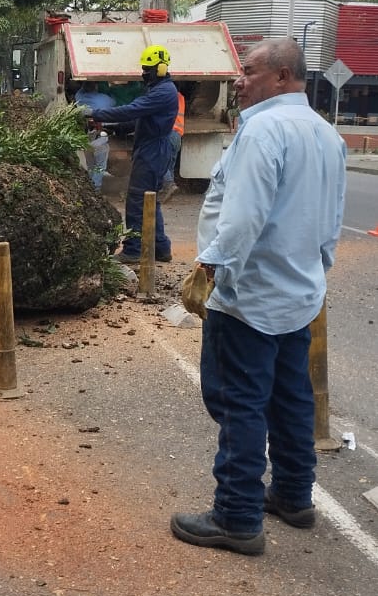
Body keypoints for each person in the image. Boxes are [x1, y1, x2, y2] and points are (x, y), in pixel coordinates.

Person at [171, 38, 346, 556]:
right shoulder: (325, 134)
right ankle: (294, 496)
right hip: (298, 293)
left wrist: (211, 272)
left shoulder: (264, 131)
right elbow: (331, 221)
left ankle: (237, 516)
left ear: (284, 77)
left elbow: (242, 219)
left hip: (249, 297)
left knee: (238, 403)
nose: (239, 80)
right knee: (291, 397)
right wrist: (315, 273)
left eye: (249, 71)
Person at [93, 46, 178, 263]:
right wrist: (116, 126)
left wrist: (95, 113)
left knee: (137, 199)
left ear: (160, 69)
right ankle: (160, 247)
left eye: (147, 69)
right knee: (151, 200)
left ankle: (133, 249)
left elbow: (132, 109)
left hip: (154, 150)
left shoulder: (163, 92)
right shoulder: (158, 90)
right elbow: (139, 117)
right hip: (152, 147)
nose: (143, 73)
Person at [74, 82, 115, 187]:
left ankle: (91, 189)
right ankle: (95, 188)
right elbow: (114, 102)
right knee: (100, 166)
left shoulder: (79, 97)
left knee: (91, 166)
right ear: (97, 86)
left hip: (86, 140)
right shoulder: (105, 99)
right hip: (100, 139)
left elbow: (79, 91)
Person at [159, 88, 185, 204]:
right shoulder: (180, 96)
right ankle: (166, 190)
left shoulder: (164, 95)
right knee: (170, 164)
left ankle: (169, 185)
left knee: (161, 162)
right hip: (178, 134)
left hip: (168, 132)